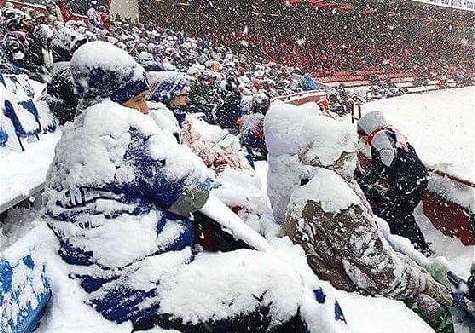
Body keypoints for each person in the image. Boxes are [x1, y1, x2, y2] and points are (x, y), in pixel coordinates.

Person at [41, 42, 350, 333]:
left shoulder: (74, 138)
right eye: (138, 100)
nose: (146, 110)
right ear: (113, 98)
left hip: (105, 285)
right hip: (141, 293)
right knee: (280, 290)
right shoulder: (121, 129)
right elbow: (193, 192)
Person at [264, 101, 453, 331]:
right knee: (435, 308)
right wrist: (425, 283)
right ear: (336, 154)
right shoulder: (336, 203)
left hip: (338, 272)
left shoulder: (307, 187)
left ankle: (419, 249)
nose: (355, 157)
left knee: (401, 220)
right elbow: (384, 275)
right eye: (351, 151)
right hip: (353, 292)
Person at [354, 111, 430, 254]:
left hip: (408, 182)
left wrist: (368, 181)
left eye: (362, 134)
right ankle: (418, 245)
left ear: (369, 129)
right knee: (400, 212)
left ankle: (416, 248)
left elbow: (386, 158)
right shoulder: (391, 133)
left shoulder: (379, 137)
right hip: (417, 178)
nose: (362, 138)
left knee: (395, 214)